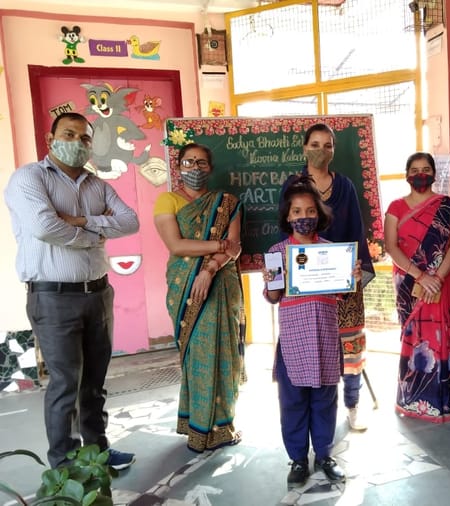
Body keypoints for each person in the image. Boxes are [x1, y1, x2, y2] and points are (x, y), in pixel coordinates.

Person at [4, 112, 140, 470]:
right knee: (65, 384)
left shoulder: (98, 185)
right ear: (50, 140)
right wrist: (96, 235)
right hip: (53, 297)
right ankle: (64, 466)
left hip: (99, 294)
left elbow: (130, 221)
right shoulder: (29, 178)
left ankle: (97, 452)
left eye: (84, 138)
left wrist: (81, 221)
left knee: (94, 382)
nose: (77, 143)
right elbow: (45, 227)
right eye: (69, 134)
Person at [263, 175, 362, 489]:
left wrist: (351, 277)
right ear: (287, 216)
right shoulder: (277, 252)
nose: (303, 217)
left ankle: (323, 455)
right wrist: (272, 279)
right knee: (292, 403)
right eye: (296, 211)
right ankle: (297, 459)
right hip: (293, 342)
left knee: (324, 401)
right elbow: (273, 297)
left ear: (319, 214)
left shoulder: (333, 252)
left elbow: (343, 292)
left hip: (325, 339)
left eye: (309, 211)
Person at [280, 123, 374, 431]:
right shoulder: (293, 185)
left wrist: (355, 273)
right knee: (313, 347)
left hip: (343, 280)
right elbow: (284, 229)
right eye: (315, 144)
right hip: (305, 285)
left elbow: (356, 230)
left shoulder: (345, 185)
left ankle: (353, 404)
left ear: (334, 150)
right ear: (304, 148)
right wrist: (286, 273)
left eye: (328, 145)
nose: (321, 150)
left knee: (350, 344)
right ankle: (314, 416)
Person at [154, 142, 244, 452]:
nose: (195, 167)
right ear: (179, 166)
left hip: (219, 284)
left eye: (201, 162)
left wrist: (209, 270)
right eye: (189, 162)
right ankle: (198, 429)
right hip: (185, 288)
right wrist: (218, 246)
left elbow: (236, 247)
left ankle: (222, 427)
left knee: (225, 354)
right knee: (198, 356)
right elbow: (177, 245)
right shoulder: (167, 200)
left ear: (210, 167)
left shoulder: (227, 203)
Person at [384, 152, 450, 423]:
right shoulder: (396, 207)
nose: (421, 174)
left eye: (426, 169)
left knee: (440, 339)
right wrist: (420, 276)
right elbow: (391, 247)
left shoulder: (447, 207)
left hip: (440, 282)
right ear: (407, 175)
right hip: (409, 283)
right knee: (412, 337)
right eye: (415, 170)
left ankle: (441, 402)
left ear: (434, 174)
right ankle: (410, 399)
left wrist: (436, 278)